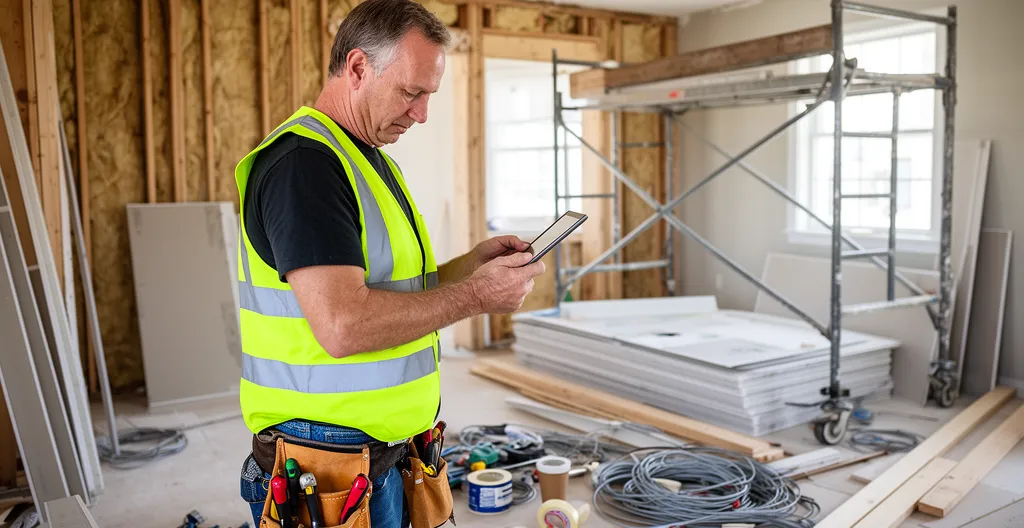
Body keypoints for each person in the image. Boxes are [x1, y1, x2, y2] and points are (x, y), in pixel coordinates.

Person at [234, 0, 545, 526]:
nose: (421, 114)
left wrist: (472, 267)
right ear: (358, 68)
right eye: (411, 92)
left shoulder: (365, 157)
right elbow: (343, 325)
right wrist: (477, 297)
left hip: (381, 450)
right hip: (328, 459)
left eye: (429, 96)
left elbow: (396, 289)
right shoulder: (304, 167)